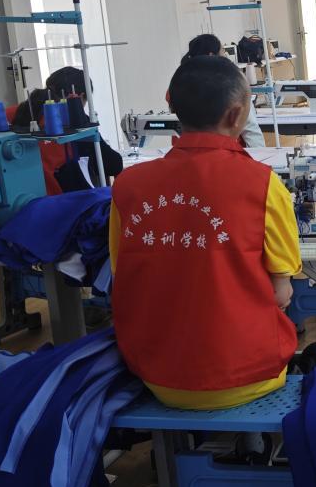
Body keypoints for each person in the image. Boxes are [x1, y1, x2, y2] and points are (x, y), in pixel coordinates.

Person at [110, 56, 301, 408]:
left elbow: (122, 271)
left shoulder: (127, 186)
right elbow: (280, 292)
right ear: (236, 115)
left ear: (172, 106)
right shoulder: (262, 183)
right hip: (250, 374)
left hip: (156, 374)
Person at [16, 66, 124, 194]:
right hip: (62, 198)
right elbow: (113, 165)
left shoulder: (23, 112)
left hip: (25, 193)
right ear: (80, 96)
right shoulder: (75, 121)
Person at [180, 33, 266, 148]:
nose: (225, 54)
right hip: (225, 150)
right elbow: (250, 128)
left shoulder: (182, 83)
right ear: (211, 55)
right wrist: (259, 154)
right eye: (223, 50)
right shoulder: (230, 83)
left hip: (188, 149)